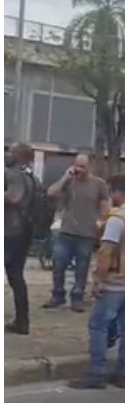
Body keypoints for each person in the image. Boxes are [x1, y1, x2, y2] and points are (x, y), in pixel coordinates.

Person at [67, 174, 125, 390]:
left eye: (109, 191)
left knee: (98, 325)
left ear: (116, 191)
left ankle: (96, 374)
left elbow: (106, 252)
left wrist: (98, 279)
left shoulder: (118, 219)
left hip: (116, 281)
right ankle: (122, 373)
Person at [43, 153, 110, 312]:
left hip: (86, 233)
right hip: (66, 230)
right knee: (59, 264)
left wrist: (101, 221)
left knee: (82, 266)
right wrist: (65, 177)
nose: (79, 169)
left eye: (82, 166)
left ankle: (77, 296)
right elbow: (51, 193)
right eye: (77, 165)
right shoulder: (69, 181)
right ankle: (57, 295)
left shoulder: (98, 184)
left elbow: (105, 204)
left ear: (89, 167)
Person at [4, 143, 37, 335]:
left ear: (20, 156)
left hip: (11, 230)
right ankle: (22, 320)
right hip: (23, 230)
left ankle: (22, 321)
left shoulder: (14, 174)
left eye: (11, 152)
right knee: (16, 276)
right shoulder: (31, 176)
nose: (8, 154)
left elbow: (14, 197)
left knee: (15, 275)